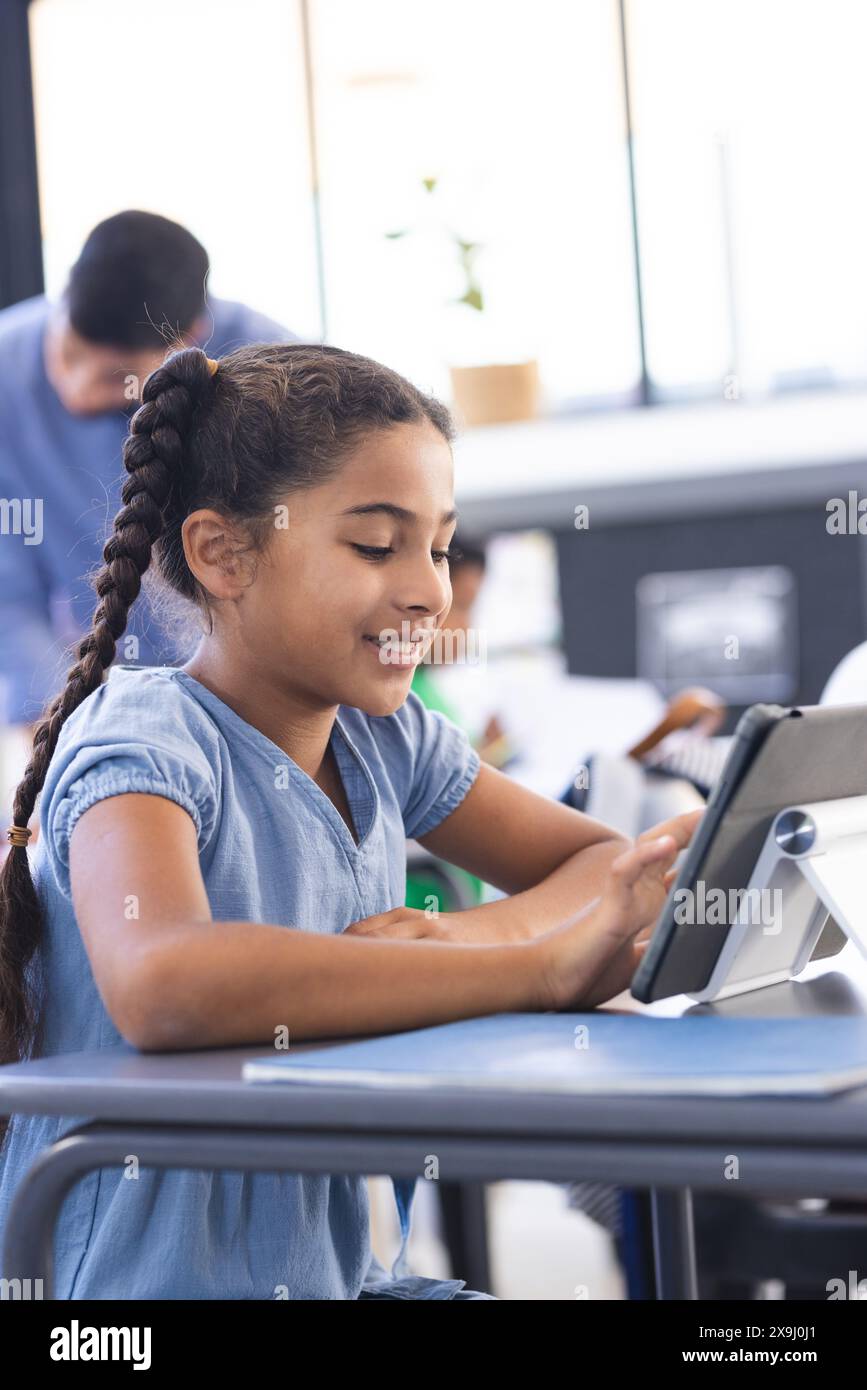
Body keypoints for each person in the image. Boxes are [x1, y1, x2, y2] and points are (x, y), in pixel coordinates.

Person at [0, 341, 700, 1299]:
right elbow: (162, 982)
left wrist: (454, 938)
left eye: (440, 546)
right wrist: (530, 969)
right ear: (223, 553)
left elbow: (593, 864)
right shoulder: (142, 736)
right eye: (376, 545)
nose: (428, 588)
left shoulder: (387, 738)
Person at [0, 210, 297, 734]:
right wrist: (52, 736)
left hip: (247, 699)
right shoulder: (7, 368)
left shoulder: (274, 372)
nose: (76, 390)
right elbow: (8, 593)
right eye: (69, 352)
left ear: (188, 339)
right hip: (81, 701)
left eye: (116, 376)